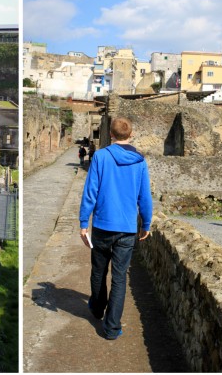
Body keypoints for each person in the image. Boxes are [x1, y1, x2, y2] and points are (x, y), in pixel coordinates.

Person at [79, 117, 153, 340]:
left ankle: (97, 308)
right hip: (127, 229)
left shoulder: (101, 156)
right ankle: (111, 328)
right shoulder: (140, 161)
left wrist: (84, 223)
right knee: (120, 278)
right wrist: (146, 224)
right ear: (131, 135)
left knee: (99, 270)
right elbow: (145, 197)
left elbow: (90, 191)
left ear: (110, 135)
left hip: (102, 225)